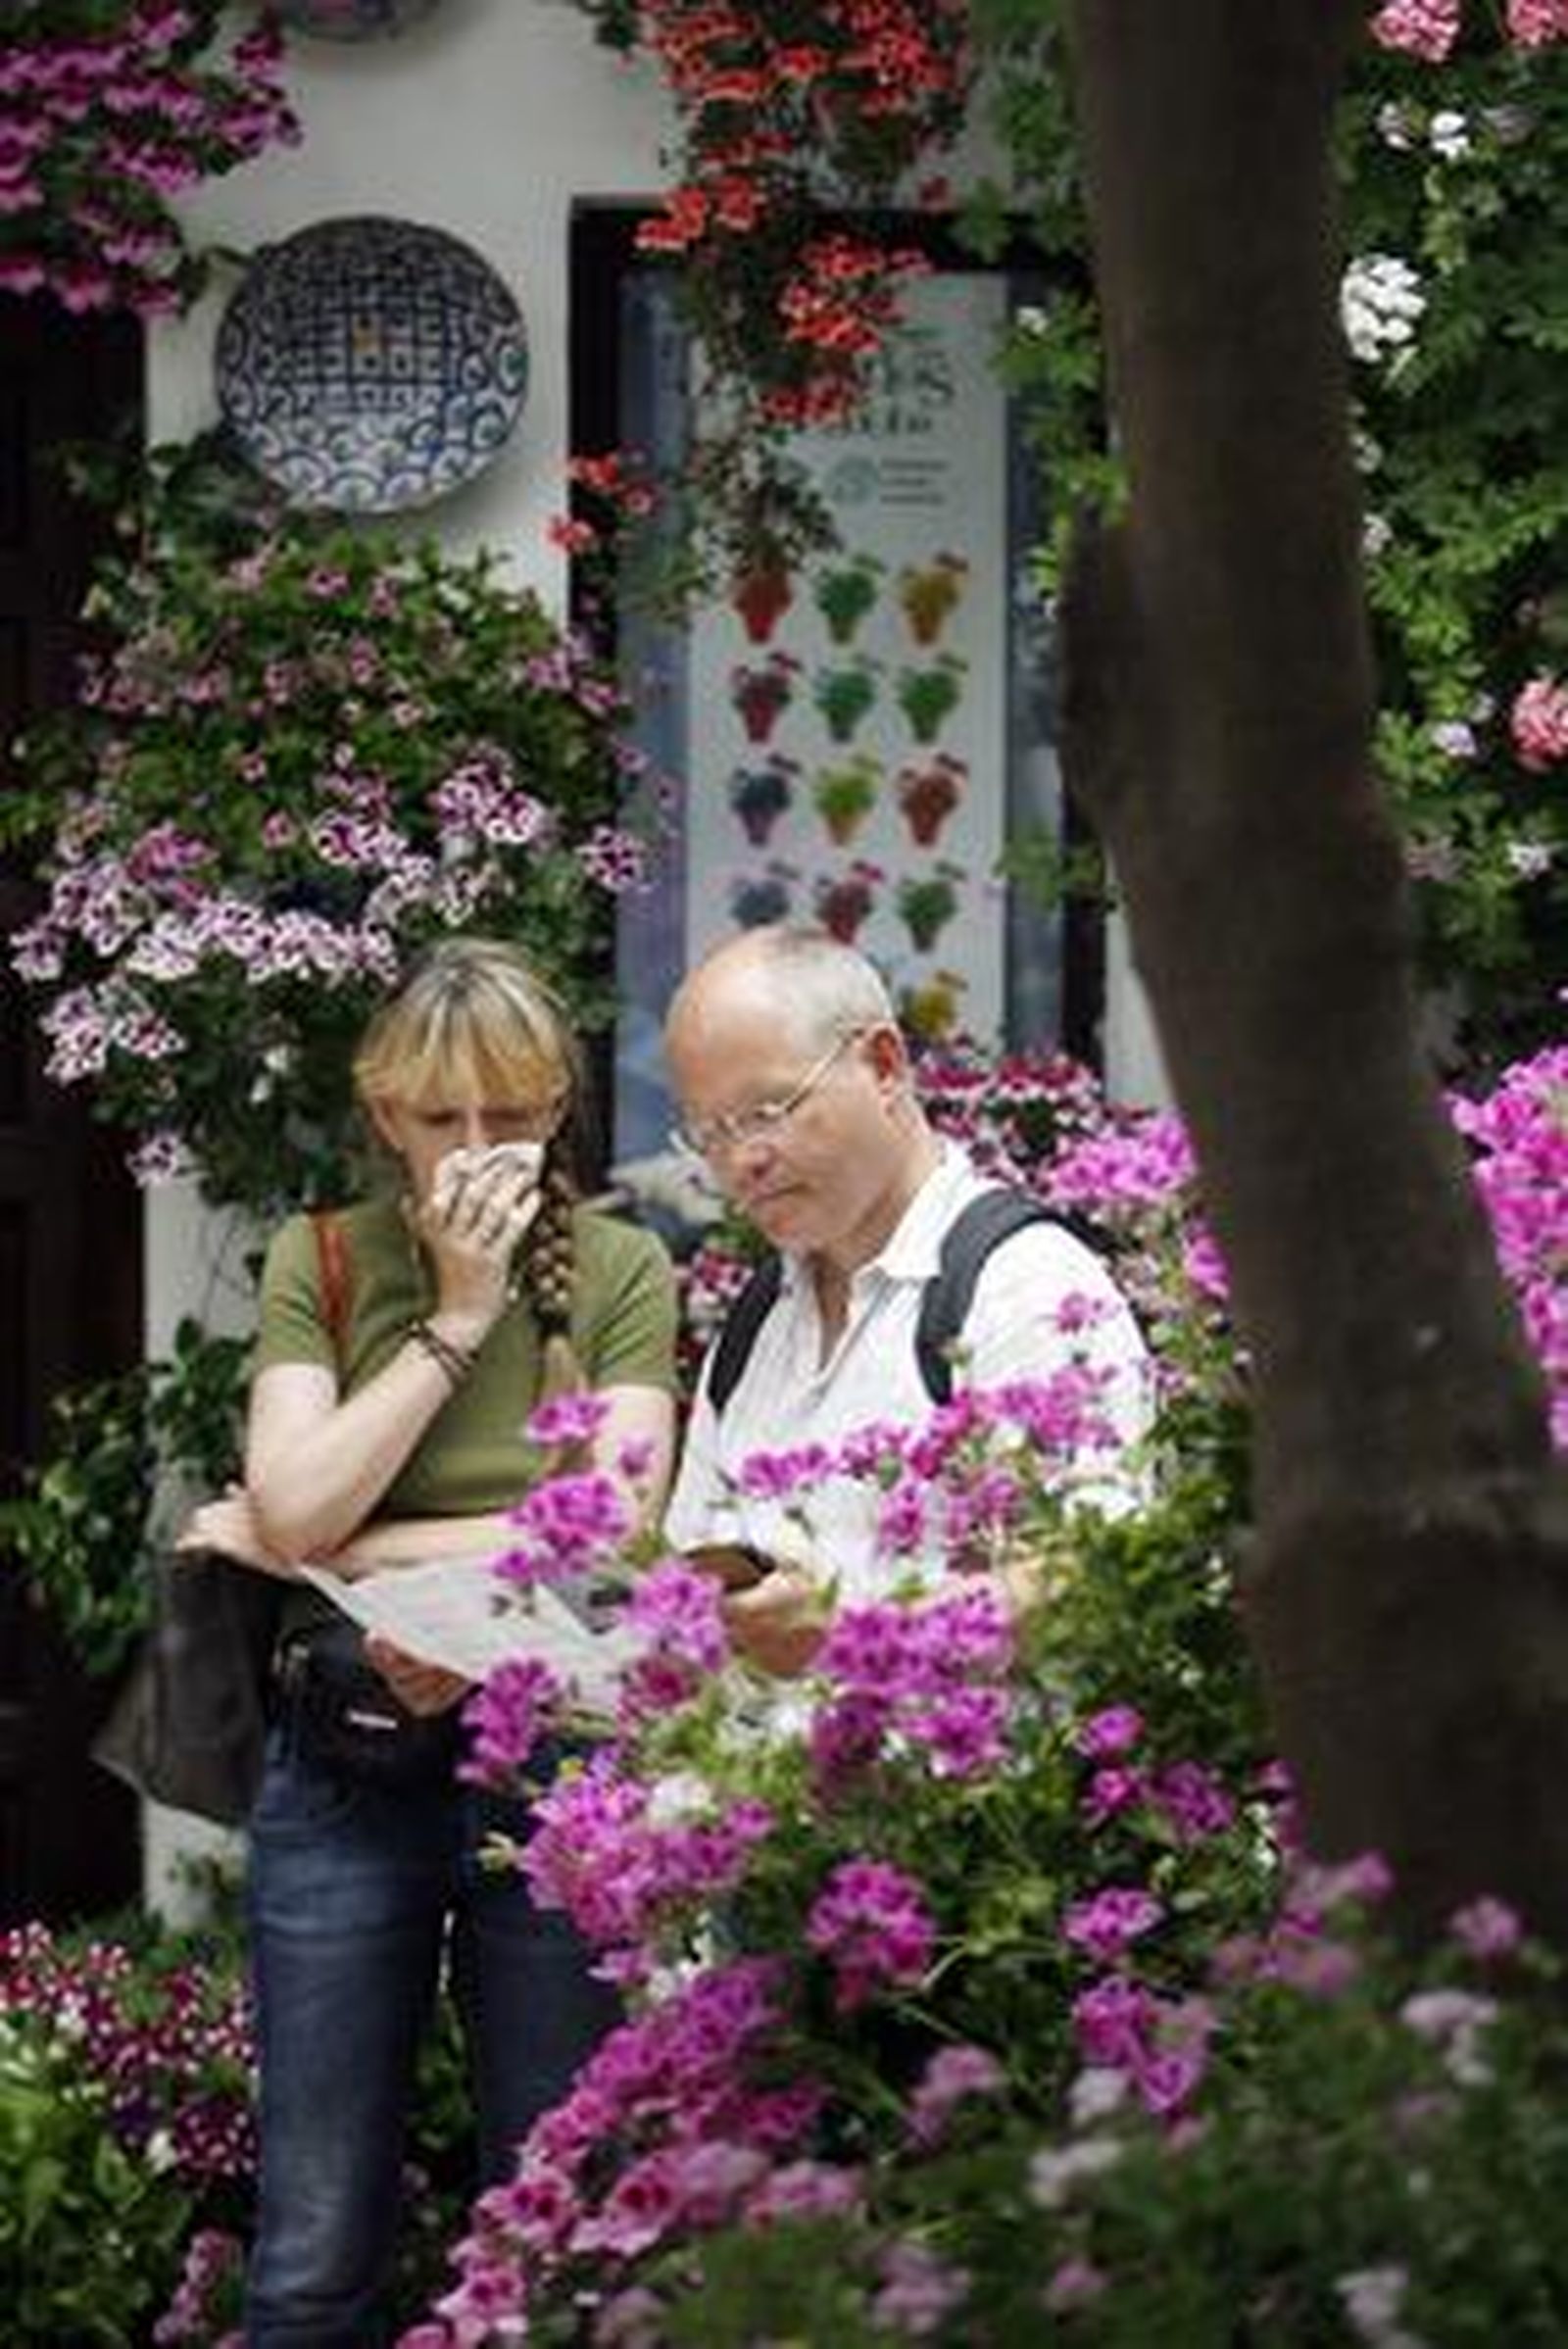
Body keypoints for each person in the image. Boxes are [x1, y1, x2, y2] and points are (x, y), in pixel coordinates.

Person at [184, 935, 678, 2348]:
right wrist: (459, 1318)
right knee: (314, 2244)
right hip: (347, 1768)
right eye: (444, 1116)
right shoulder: (326, 1258)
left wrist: (347, 1553)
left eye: (514, 1115)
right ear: (385, 1111)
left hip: (558, 1773)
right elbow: (292, 1491)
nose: (481, 1149)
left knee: (556, 2222)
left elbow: (611, 1530)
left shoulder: (627, 1267)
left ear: (556, 1111)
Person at [662, 924, 1151, 1675]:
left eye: (768, 1111)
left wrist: (853, 1635)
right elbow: (690, 1562)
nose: (742, 1161)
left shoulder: (1023, 1286)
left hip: (947, 1785)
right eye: (710, 1133)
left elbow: (1102, 1575)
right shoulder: (759, 1318)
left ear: (884, 1064)